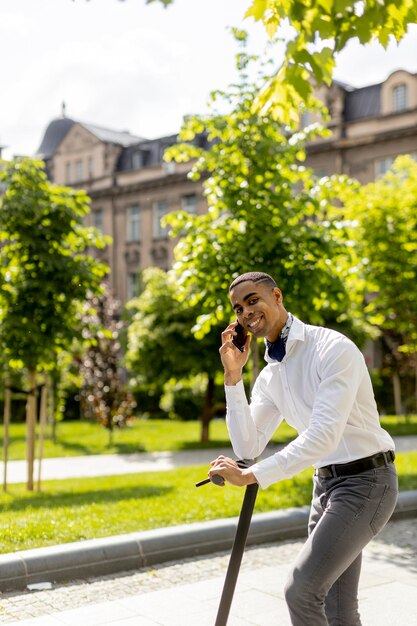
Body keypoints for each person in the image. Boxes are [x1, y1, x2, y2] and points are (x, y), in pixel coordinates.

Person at [208, 271, 398, 626]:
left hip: (368, 482)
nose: (246, 313)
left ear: (276, 296)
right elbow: (248, 444)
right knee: (337, 609)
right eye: (238, 309)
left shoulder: (332, 348)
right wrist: (232, 377)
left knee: (302, 590)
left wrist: (252, 475)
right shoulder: (270, 374)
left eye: (253, 301)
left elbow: (323, 435)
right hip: (325, 486)